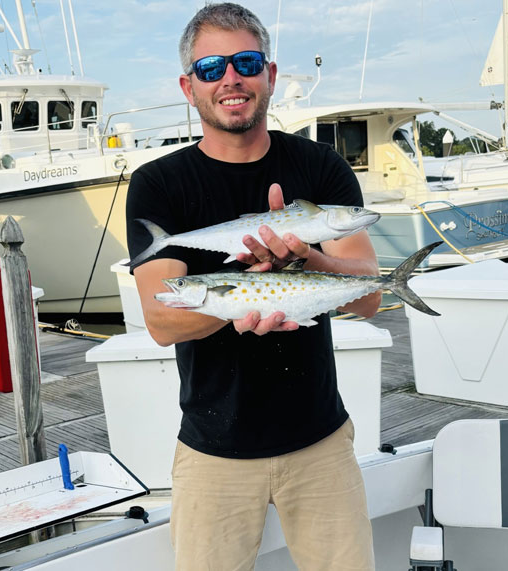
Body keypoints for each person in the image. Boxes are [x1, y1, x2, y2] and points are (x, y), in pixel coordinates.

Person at [126, 3, 380, 569]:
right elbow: (162, 321)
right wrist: (243, 299)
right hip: (212, 452)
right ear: (189, 86)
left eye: (245, 62)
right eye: (211, 68)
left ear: (269, 73)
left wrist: (309, 259)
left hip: (321, 443)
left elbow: (369, 295)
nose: (230, 79)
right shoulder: (159, 184)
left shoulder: (320, 168)